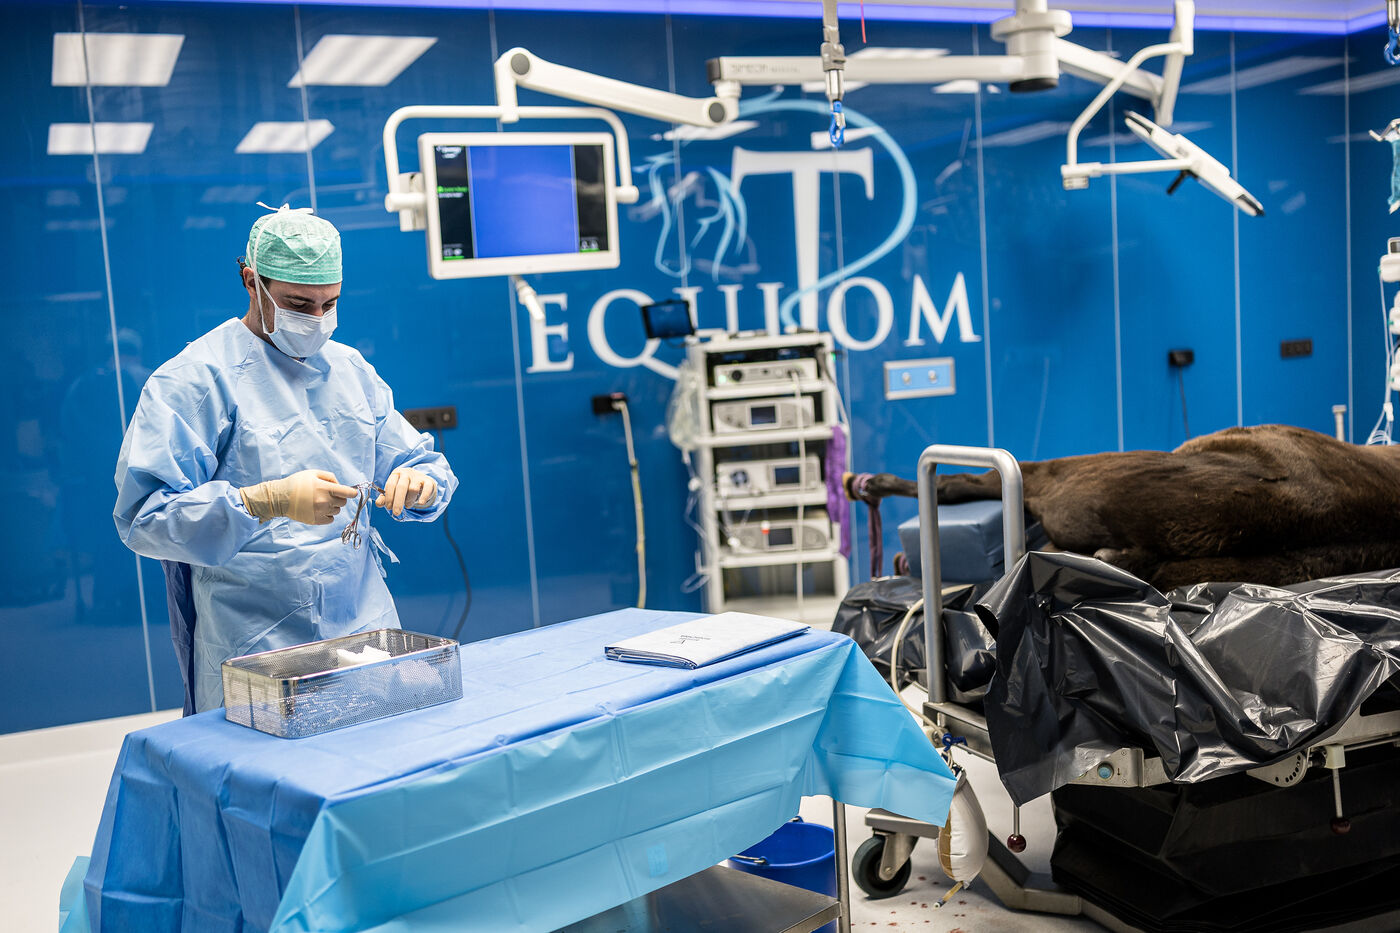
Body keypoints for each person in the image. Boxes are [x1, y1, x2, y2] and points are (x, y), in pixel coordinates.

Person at [114, 204, 458, 712]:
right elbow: (145, 518)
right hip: (255, 643)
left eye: (329, 303)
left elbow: (421, 462)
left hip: (363, 629)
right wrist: (263, 502)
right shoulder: (195, 380)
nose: (317, 320)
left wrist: (421, 482)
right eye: (299, 303)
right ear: (251, 282)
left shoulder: (349, 370)